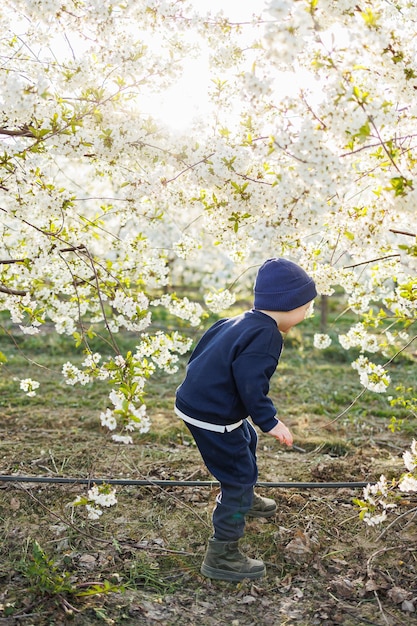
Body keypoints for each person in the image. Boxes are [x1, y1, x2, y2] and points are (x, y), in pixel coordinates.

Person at [175, 258, 317, 581]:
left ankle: (246, 497)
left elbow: (204, 349)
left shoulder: (238, 320)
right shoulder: (267, 338)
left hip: (197, 401)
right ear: (288, 304)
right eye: (305, 306)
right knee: (237, 477)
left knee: (245, 438)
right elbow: (252, 385)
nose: (307, 313)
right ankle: (222, 555)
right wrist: (270, 422)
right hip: (212, 415)